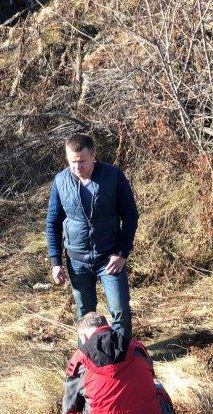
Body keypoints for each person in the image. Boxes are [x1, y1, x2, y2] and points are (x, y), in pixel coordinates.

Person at [45, 133, 139, 340]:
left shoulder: (114, 176)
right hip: (77, 260)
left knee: (120, 311)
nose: (77, 167)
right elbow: (52, 222)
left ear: (93, 155)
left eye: (82, 162)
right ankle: (88, 362)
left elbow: (131, 216)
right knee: (84, 314)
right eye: (72, 162)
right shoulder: (60, 181)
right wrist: (55, 262)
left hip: (110, 258)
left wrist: (122, 253)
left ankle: (121, 360)